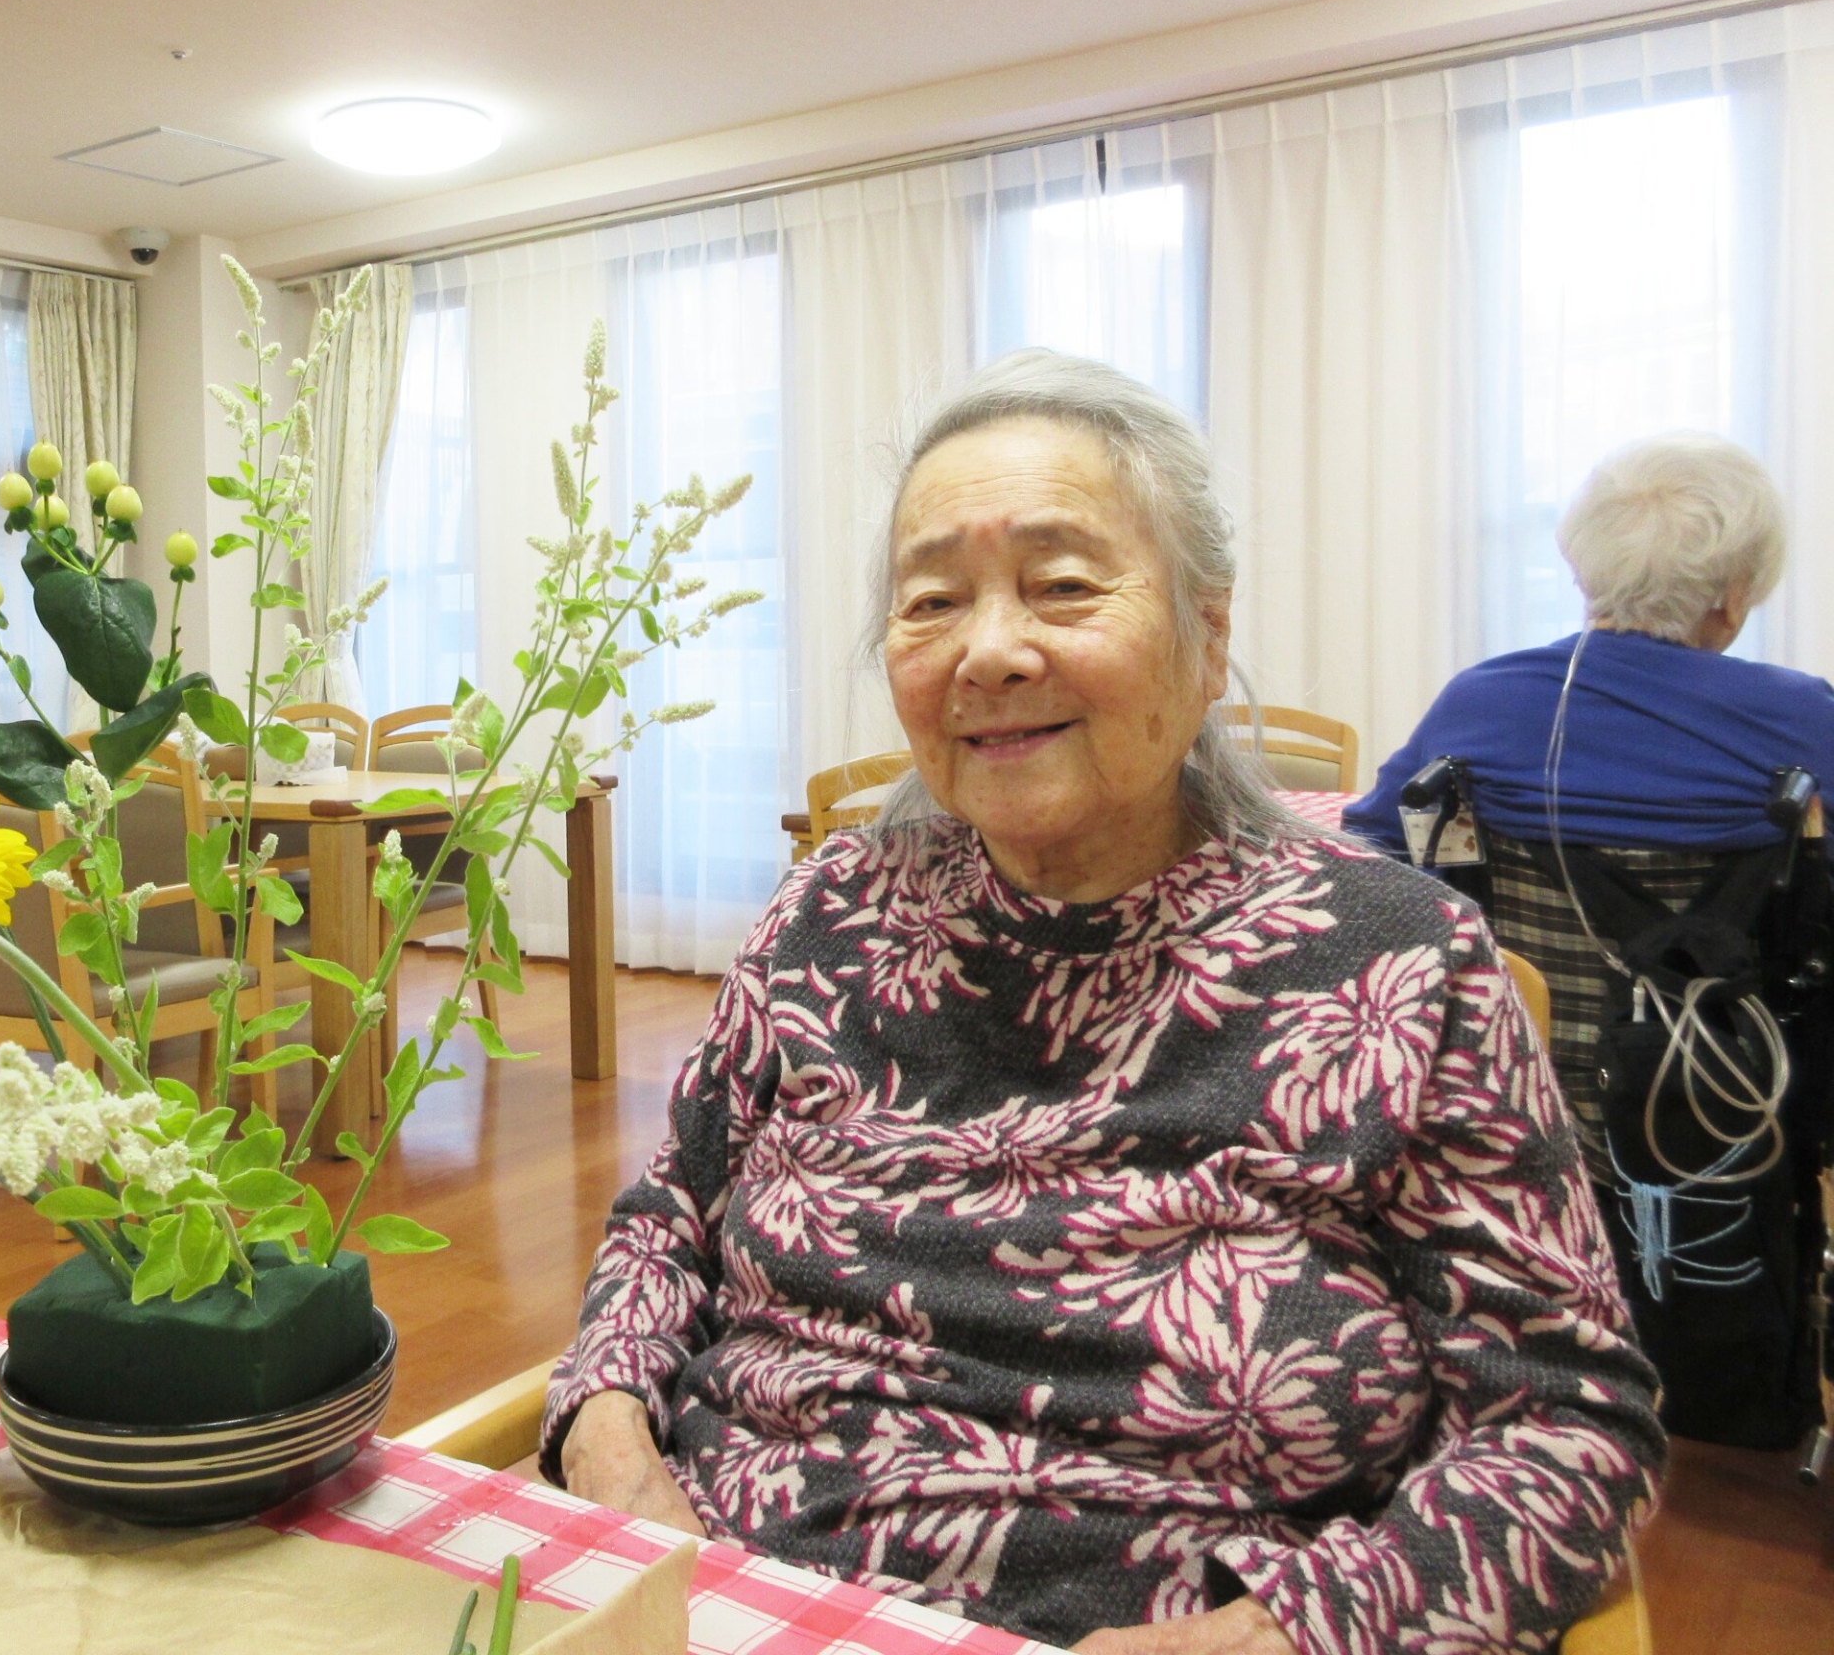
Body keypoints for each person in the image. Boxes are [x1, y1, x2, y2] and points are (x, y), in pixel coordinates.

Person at [545, 352, 1661, 1655]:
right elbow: (661, 1228)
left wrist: (1273, 1639)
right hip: (720, 1607)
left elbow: (1566, 1420)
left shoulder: (1402, 964)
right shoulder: (828, 910)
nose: (993, 650)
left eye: (1065, 587)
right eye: (932, 601)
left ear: (1208, 636)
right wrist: (618, 1460)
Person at [1344, 434, 1834, 1173]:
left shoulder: (1483, 701)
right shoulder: (1805, 719)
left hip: (1516, 1109)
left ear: (1584, 565)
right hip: (1739, 1116)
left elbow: (1373, 864)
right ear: (1733, 594)